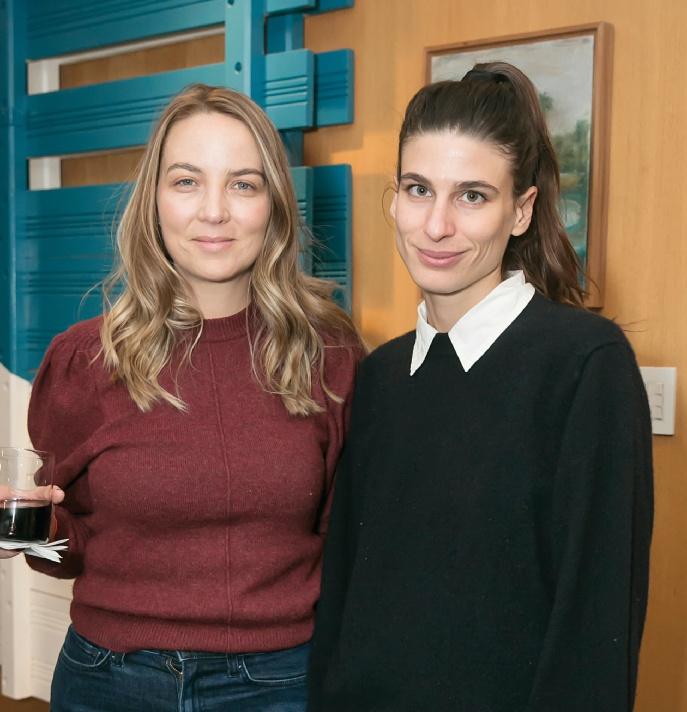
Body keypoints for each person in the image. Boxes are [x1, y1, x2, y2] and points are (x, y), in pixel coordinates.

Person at [307, 62, 653, 712]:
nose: (436, 225)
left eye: (472, 196)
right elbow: (344, 599)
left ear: (520, 211)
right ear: (393, 197)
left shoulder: (585, 365)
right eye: (418, 189)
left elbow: (594, 626)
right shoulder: (379, 375)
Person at [19, 83, 362, 711]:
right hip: (107, 681)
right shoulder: (83, 360)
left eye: (243, 184)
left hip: (279, 686)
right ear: (153, 201)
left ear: (275, 205)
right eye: (186, 181)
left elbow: (349, 544)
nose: (214, 211)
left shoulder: (331, 356)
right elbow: (72, 544)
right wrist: (35, 527)